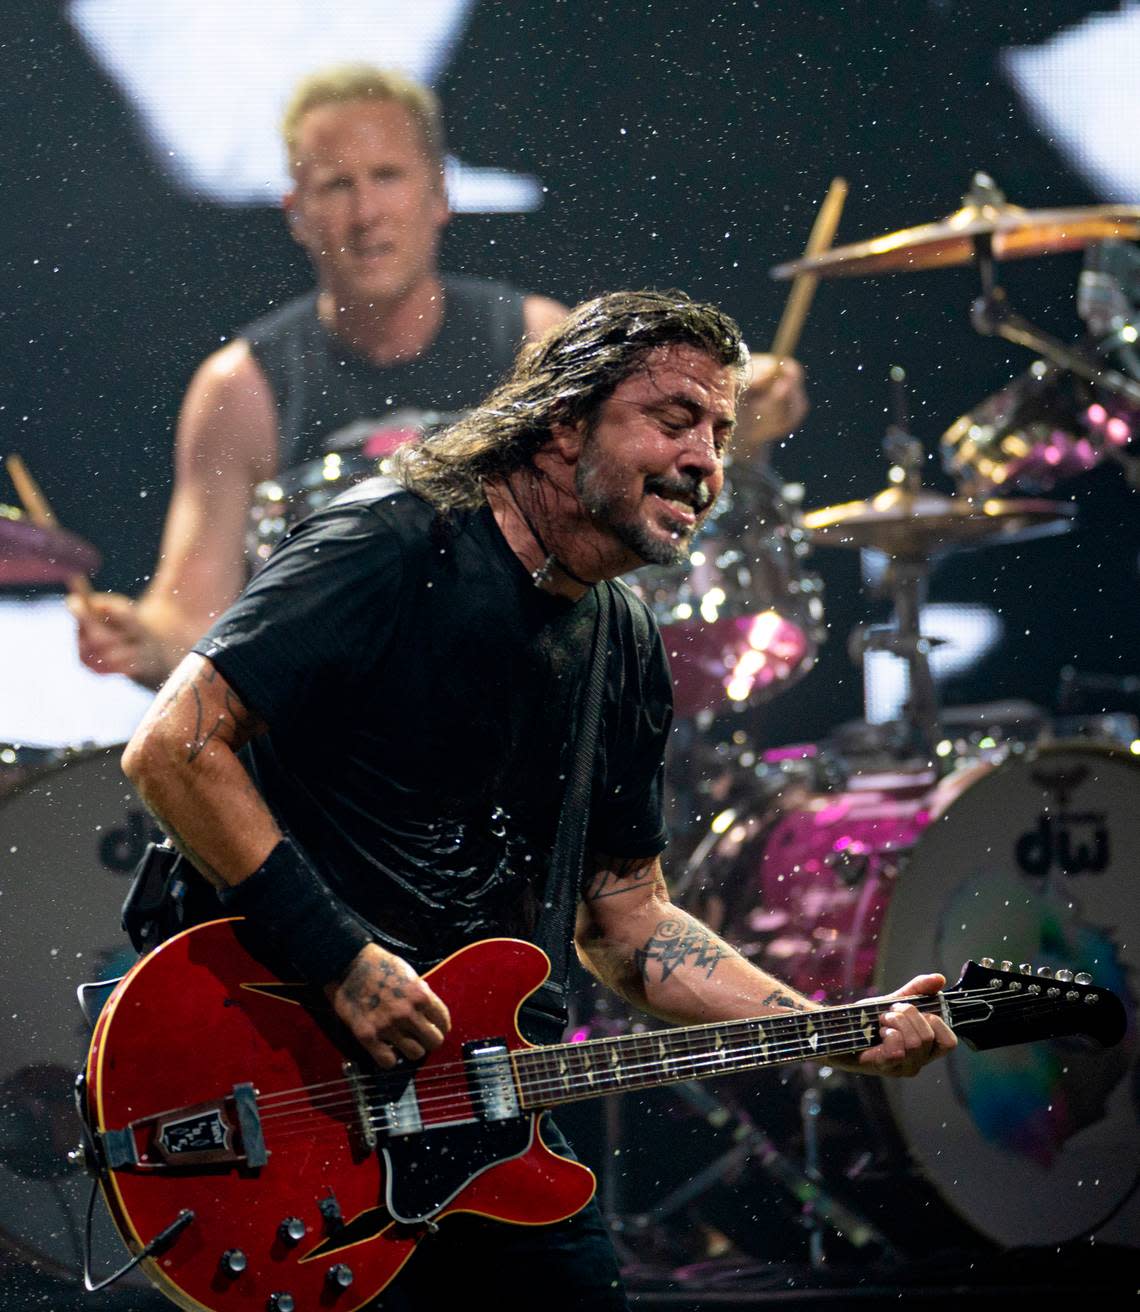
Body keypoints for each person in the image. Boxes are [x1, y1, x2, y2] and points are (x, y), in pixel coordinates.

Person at [122, 289, 952, 1311]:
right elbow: (172, 747)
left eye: (722, 435)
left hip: (482, 1115)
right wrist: (338, 956)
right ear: (563, 423)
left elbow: (630, 922)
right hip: (295, 1090)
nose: (706, 461)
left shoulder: (623, 642)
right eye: (674, 419)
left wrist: (835, 1025)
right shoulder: (389, 545)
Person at [73, 64, 807, 689]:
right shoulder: (240, 389)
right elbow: (195, 612)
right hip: (334, 753)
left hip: (525, 718)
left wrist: (735, 439)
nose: (366, 213)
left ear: (440, 192)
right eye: (335, 185)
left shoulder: (539, 341)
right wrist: (143, 640)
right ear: (295, 212)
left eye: (388, 175)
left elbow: (630, 521)